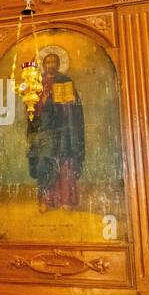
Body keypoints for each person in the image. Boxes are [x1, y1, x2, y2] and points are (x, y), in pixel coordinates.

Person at [27, 51, 85, 211]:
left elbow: (73, 108)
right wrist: (42, 101)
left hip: (65, 129)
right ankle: (46, 200)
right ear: (43, 65)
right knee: (45, 162)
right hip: (45, 130)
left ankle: (65, 200)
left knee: (65, 162)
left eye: (54, 62)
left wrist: (67, 103)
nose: (51, 65)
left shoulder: (65, 81)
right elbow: (32, 109)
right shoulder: (37, 82)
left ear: (59, 64)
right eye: (48, 62)